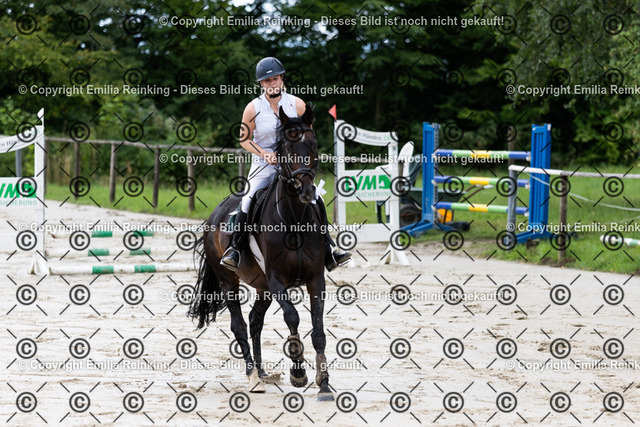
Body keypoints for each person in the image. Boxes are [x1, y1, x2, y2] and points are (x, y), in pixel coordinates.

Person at [220, 57, 351, 271]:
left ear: (282, 79)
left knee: (315, 197)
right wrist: (264, 153)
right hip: (264, 164)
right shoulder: (253, 108)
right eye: (267, 80)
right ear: (261, 84)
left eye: (275, 78)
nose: (272, 83)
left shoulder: (297, 104)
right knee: (247, 199)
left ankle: (329, 250)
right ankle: (235, 249)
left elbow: (307, 136)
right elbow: (244, 139)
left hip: (294, 165)